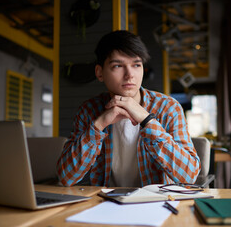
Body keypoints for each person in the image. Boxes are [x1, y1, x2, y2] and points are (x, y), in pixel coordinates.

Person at [57, 30, 200, 187]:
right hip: (105, 204)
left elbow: (189, 176)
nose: (130, 74)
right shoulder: (89, 110)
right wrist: (99, 125)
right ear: (99, 73)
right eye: (118, 65)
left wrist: (147, 120)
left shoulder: (168, 107)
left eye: (136, 65)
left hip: (154, 204)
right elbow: (66, 177)